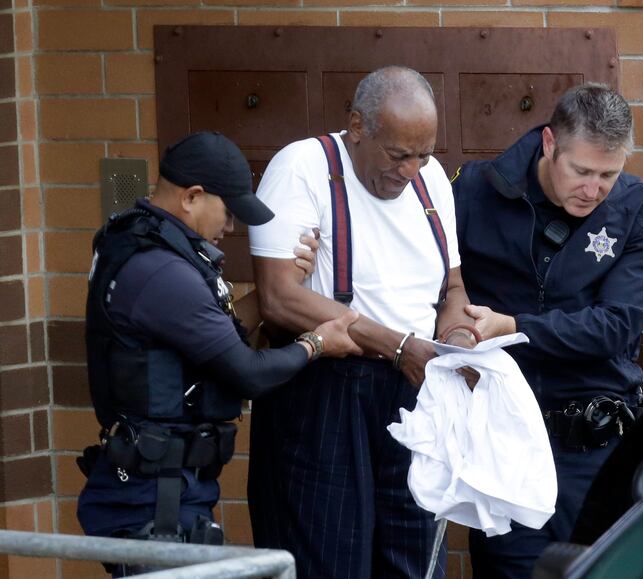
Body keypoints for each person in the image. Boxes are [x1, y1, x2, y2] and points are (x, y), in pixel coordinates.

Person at [77, 130, 361, 577]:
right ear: (192, 197)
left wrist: (282, 287)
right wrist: (318, 343)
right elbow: (247, 372)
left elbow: (215, 335)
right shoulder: (161, 270)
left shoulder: (149, 246)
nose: (230, 228)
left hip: (166, 485)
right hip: (155, 495)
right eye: (227, 213)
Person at [246, 66, 476, 579]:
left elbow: (452, 289)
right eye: (398, 155)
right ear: (356, 126)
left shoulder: (431, 180)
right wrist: (397, 345)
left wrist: (458, 339)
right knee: (325, 558)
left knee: (416, 557)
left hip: (413, 387)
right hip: (324, 393)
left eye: (423, 154)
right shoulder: (303, 167)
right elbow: (279, 300)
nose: (411, 170)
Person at [451, 83, 643, 578]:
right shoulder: (472, 190)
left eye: (608, 175)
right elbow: (429, 283)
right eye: (581, 171)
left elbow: (615, 327)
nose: (593, 190)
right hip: (506, 449)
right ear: (550, 144)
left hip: (598, 450)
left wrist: (513, 327)